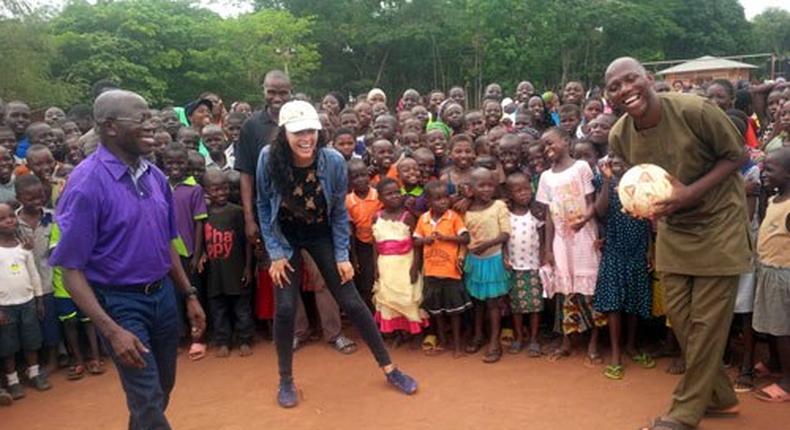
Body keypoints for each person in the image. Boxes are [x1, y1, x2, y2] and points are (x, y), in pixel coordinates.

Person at [605, 57, 750, 430]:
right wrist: (642, 206)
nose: (625, 90)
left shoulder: (694, 110)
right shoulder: (620, 135)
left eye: (630, 79)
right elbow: (644, 179)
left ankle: (685, 412)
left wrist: (690, 194)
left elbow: (738, 155)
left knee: (706, 324)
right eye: (614, 87)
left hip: (719, 225)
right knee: (682, 322)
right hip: (673, 230)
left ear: (649, 79)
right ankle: (721, 396)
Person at [49, 90, 206, 429]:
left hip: (163, 296)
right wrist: (112, 330)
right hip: (120, 304)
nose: (152, 124)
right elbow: (71, 269)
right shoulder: (85, 185)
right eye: (141, 118)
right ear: (109, 127)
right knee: (147, 398)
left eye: (151, 116)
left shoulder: (155, 176)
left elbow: (167, 243)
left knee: (161, 389)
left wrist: (188, 294)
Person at [256, 100, 417, 408]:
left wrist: (342, 254)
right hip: (284, 237)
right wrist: (275, 252)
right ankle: (285, 380)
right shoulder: (268, 158)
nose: (306, 138)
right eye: (298, 132)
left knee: (352, 301)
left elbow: (340, 213)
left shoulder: (331, 160)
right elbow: (264, 206)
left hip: (320, 234)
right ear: (284, 133)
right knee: (286, 307)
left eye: (312, 131)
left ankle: (390, 369)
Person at [536, 128, 604, 363]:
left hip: (584, 236)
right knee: (566, 291)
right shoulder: (546, 177)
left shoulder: (581, 168)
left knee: (590, 290)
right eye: (543, 146)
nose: (547, 149)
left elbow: (591, 202)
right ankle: (568, 339)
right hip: (561, 241)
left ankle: (594, 341)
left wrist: (584, 222)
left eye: (550, 143)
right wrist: (547, 249)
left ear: (566, 141)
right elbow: (547, 215)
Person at [592, 155, 654, 380]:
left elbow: (648, 217)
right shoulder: (601, 181)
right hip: (614, 247)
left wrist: (649, 249)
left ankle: (631, 346)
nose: (619, 166)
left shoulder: (642, 181)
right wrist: (608, 182)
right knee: (614, 302)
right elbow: (600, 210)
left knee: (635, 299)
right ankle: (616, 354)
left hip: (637, 247)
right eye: (614, 162)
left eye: (624, 161)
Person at [413, 179, 471, 357]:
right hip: (431, 273)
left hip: (451, 273)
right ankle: (443, 342)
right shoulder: (423, 219)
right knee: (437, 311)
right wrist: (425, 241)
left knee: (454, 312)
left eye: (446, 197)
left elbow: (466, 238)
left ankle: (457, 346)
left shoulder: (453, 217)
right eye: (438, 199)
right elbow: (415, 240)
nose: (444, 201)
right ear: (429, 202)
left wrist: (447, 238)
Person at [0, 201, 51, 401]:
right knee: (8, 345)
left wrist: (38, 299)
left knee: (31, 341)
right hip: (5, 307)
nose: (8, 221)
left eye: (11, 216)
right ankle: (13, 381)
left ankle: (34, 373)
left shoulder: (24, 247)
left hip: (28, 301)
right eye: (2, 219)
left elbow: (34, 275)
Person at [200, 169, 253, 358]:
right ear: (206, 191)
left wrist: (248, 267)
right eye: (215, 190)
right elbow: (200, 241)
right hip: (215, 273)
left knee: (242, 308)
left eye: (225, 189)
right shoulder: (203, 214)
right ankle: (223, 341)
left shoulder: (237, 212)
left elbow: (246, 242)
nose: (221, 193)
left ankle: (245, 339)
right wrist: (201, 255)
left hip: (236, 270)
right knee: (218, 309)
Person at [751, 147, 790, 403]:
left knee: (784, 328)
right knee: (772, 327)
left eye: (770, 170)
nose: (763, 174)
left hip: (783, 275)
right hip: (767, 270)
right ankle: (776, 362)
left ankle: (788, 380)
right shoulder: (774, 199)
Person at [237, 70, 291, 251]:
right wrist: (249, 219)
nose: (277, 98)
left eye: (283, 92)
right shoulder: (251, 126)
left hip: (299, 209)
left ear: (290, 91)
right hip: (266, 211)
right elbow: (246, 175)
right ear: (264, 91)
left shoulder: (298, 121)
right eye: (272, 92)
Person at [463, 168, 511, 363]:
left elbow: (505, 233)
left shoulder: (499, 206)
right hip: (474, 262)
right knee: (477, 302)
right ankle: (478, 335)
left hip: (494, 259)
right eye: (481, 185)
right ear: (471, 188)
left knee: (493, 303)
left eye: (490, 185)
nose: (486, 189)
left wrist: (486, 245)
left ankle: (494, 341)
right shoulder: (465, 209)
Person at [14, 174, 61, 373]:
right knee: (29, 325)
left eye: (40, 196)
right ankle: (33, 362)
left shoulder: (53, 217)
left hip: (48, 280)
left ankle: (53, 359)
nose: (37, 201)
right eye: (30, 198)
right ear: (19, 198)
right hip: (23, 283)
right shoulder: (12, 221)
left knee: (49, 321)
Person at [371, 178, 428, 336]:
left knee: (408, 297)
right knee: (389, 297)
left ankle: (413, 332)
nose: (395, 196)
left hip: (406, 263)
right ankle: (398, 332)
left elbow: (416, 243)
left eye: (397, 192)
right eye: (389, 194)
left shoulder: (407, 217)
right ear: (380, 198)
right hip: (385, 264)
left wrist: (415, 266)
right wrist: (375, 267)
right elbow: (375, 244)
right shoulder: (376, 217)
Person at [504, 172, 545, 357]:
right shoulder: (506, 215)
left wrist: (544, 256)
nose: (524, 193)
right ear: (510, 194)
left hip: (533, 266)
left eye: (527, 189)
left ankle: (534, 339)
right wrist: (504, 257)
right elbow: (504, 240)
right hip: (514, 267)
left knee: (535, 306)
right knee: (517, 307)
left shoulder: (535, 213)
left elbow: (543, 238)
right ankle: (519, 337)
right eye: (518, 190)